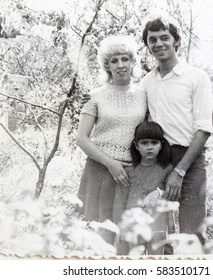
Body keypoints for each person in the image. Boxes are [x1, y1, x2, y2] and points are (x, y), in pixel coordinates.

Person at [140, 17, 213, 245]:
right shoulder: (146, 82)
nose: (159, 43)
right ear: (148, 46)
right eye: (152, 40)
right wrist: (91, 99)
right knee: (157, 234)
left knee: (192, 234)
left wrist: (180, 171)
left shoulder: (196, 77)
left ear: (176, 42)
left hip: (189, 161)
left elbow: (203, 129)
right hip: (157, 160)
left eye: (165, 38)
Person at [76, 35, 147, 244]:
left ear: (133, 61)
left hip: (131, 174)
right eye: (114, 61)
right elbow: (81, 138)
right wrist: (111, 163)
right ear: (106, 65)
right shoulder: (95, 95)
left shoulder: (144, 94)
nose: (120, 65)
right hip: (100, 171)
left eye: (125, 59)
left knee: (128, 235)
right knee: (100, 235)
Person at [113, 121, 174, 255]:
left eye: (154, 143)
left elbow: (174, 195)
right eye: (144, 143)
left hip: (158, 224)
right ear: (136, 145)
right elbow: (119, 203)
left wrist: (159, 192)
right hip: (133, 225)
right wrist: (120, 227)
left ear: (161, 145)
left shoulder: (167, 170)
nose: (149, 147)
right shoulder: (128, 171)